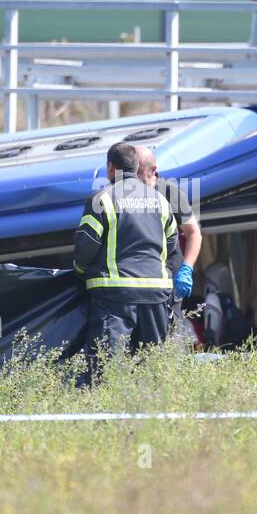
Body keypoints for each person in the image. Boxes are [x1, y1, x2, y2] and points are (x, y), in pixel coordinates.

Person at [74, 142, 178, 381]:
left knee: (105, 371)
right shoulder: (160, 201)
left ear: (111, 168)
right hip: (156, 295)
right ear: (136, 166)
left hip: (115, 296)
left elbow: (85, 247)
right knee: (152, 372)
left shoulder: (102, 199)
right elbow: (171, 243)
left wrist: (80, 273)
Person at [135, 144, 202, 309]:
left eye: (139, 172)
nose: (133, 178)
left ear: (153, 170)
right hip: (136, 278)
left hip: (168, 277)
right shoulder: (125, 192)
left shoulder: (170, 193)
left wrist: (186, 269)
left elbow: (194, 233)